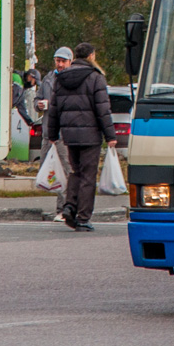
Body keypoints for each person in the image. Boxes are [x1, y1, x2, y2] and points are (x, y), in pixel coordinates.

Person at [48, 42, 117, 232]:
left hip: (69, 134)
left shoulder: (60, 78)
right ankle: (83, 217)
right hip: (90, 134)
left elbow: (54, 109)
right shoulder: (96, 77)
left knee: (75, 172)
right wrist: (110, 135)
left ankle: (69, 206)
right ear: (91, 56)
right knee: (88, 176)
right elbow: (103, 109)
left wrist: (52, 134)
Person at [37, 47, 74, 221]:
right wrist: (38, 104)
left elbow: (69, 103)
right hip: (47, 132)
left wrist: (50, 104)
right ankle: (63, 206)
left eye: (63, 61)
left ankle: (64, 208)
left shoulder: (72, 79)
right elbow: (37, 97)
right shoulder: (48, 78)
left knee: (65, 171)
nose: (59, 64)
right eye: (57, 60)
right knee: (48, 170)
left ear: (70, 62)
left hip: (62, 133)